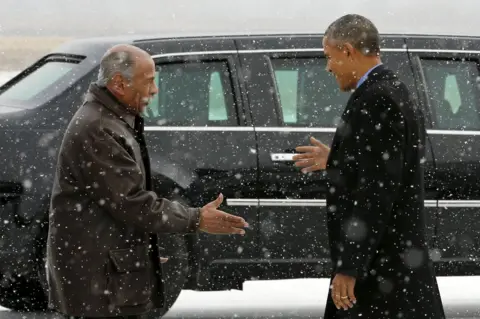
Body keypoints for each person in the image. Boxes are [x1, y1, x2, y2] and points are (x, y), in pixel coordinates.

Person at [47, 44, 248, 319]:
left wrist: (144, 251)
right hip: (98, 283)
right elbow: (132, 203)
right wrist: (195, 218)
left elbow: (120, 208)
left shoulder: (111, 120)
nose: (155, 91)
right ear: (119, 83)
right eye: (149, 81)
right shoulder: (98, 129)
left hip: (105, 276)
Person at [293, 14, 445, 319]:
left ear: (348, 50)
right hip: (393, 265)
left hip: (382, 271)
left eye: (329, 57)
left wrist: (350, 267)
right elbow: (383, 169)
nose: (328, 67)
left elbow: (377, 192)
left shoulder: (377, 99)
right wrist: (338, 159)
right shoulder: (394, 89)